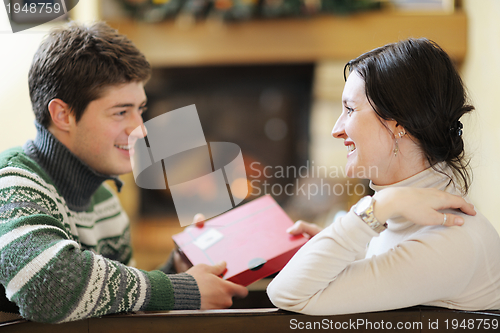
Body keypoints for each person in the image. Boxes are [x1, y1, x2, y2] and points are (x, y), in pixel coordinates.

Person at [0, 21, 247, 324]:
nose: (140, 130)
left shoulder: (105, 203)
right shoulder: (12, 183)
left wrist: (175, 270)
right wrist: (183, 290)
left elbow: (112, 312)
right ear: (62, 115)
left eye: (140, 110)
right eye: (120, 112)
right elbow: (50, 290)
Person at [267, 38, 500, 315]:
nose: (336, 129)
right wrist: (343, 247)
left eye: (350, 110)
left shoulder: (449, 241)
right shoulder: (408, 219)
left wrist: (380, 205)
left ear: (399, 124)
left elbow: (286, 293)